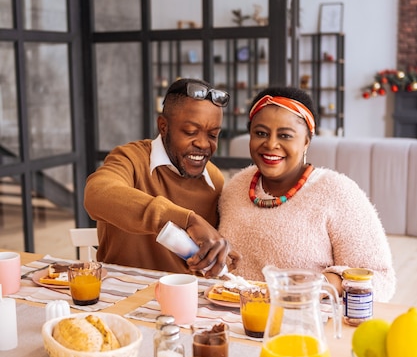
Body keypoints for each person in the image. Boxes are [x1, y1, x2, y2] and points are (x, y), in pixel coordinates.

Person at [219, 86, 396, 301]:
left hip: (303, 325)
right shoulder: (235, 187)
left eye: (285, 135)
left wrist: (327, 283)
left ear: (306, 141)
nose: (271, 144)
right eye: (261, 133)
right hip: (233, 324)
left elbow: (381, 279)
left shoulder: (337, 192)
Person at [84, 78, 238, 276]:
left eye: (213, 135)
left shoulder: (213, 180)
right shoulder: (131, 159)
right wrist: (187, 220)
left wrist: (216, 254)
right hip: (122, 294)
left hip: (183, 299)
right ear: (163, 127)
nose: (203, 144)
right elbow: (96, 194)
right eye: (191, 132)